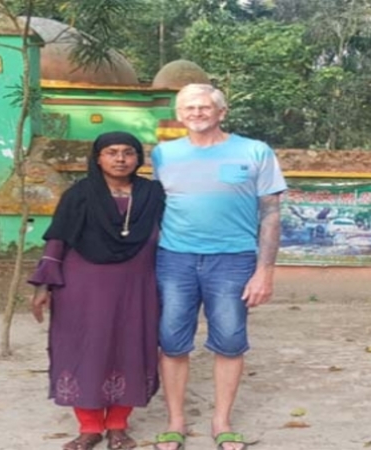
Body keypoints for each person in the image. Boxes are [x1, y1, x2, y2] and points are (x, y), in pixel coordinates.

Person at [151, 84, 286, 450]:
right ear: (179, 115)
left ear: (221, 112)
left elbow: (271, 215)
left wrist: (265, 271)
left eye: (204, 107)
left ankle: (221, 421)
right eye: (188, 108)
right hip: (174, 259)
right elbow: (155, 209)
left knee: (229, 341)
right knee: (172, 342)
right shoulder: (163, 154)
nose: (196, 113)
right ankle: (175, 422)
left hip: (233, 260)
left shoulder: (255, 151)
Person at [28, 131, 166, 450]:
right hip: (82, 286)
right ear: (98, 158)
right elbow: (58, 239)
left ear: (138, 158)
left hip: (137, 286)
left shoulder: (152, 193)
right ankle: (89, 427)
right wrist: (43, 285)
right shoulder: (79, 194)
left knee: (130, 348)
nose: (120, 159)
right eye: (111, 152)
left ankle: (118, 426)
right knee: (84, 348)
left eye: (128, 152)